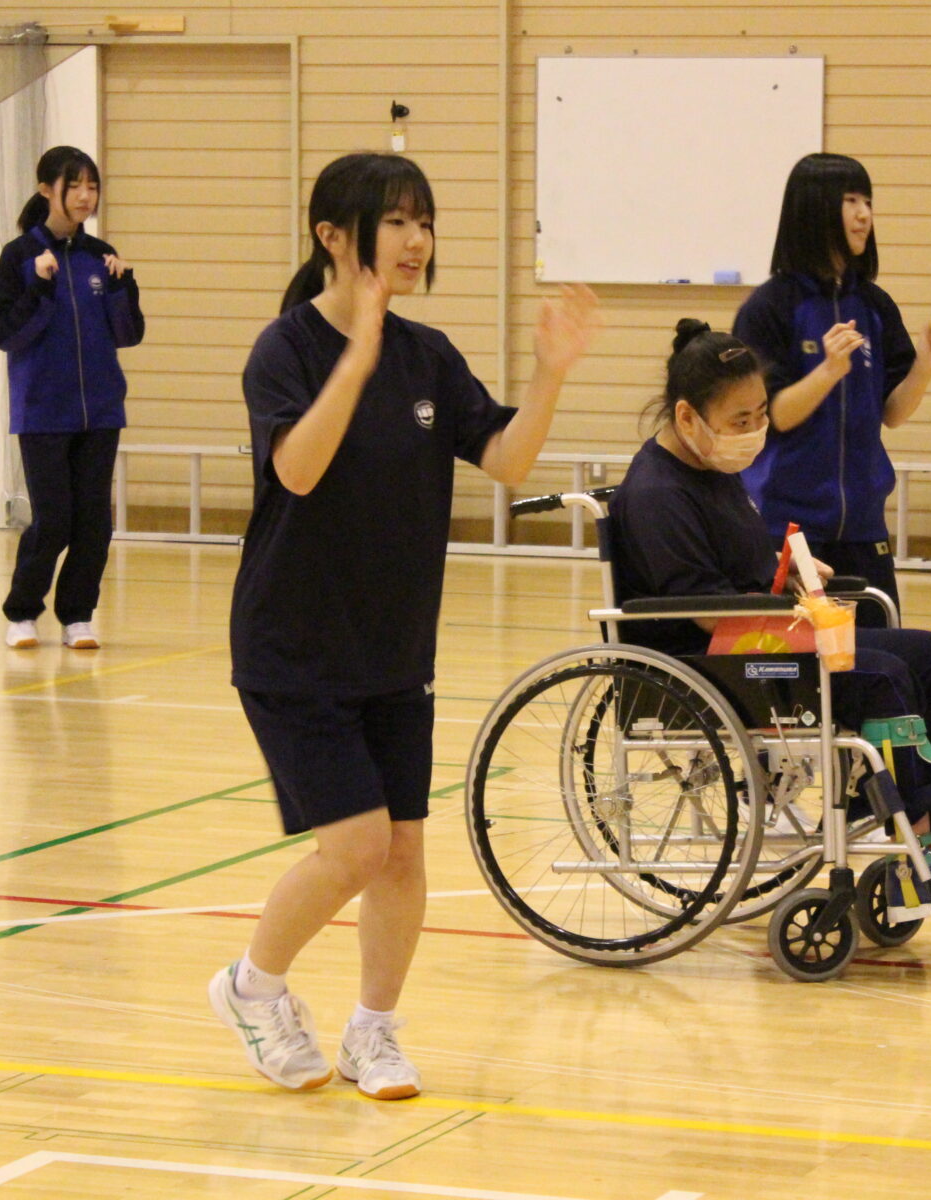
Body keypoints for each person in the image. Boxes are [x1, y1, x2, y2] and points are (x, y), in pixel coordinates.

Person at [208, 152, 598, 1100]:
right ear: (334, 237)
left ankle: (373, 1033)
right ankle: (252, 988)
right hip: (292, 644)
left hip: (394, 646)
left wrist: (548, 375)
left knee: (405, 852)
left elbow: (505, 460)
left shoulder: (431, 356)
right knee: (355, 848)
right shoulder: (287, 351)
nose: (418, 240)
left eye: (425, 220)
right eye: (396, 221)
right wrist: (357, 358)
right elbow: (296, 470)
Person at [610, 319, 931, 896]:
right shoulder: (656, 493)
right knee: (885, 674)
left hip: (763, 643)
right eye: (739, 421)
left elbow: (735, 568)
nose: (754, 431)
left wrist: (787, 568)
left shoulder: (711, 469)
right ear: (687, 417)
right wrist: (786, 603)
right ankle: (919, 850)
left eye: (760, 415)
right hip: (717, 663)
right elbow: (702, 610)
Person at [732, 153, 931, 626]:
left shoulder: (874, 306)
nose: (864, 215)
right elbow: (775, 414)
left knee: (879, 659)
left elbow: (892, 413)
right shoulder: (771, 307)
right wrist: (828, 372)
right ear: (814, 209)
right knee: (798, 668)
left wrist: (925, 367)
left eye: (868, 201)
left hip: (863, 526)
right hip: (788, 527)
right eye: (851, 201)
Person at [0, 145, 144, 651]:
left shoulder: (101, 255)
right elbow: (4, 333)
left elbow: (129, 334)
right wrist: (38, 286)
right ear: (46, 189)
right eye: (74, 185)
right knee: (53, 518)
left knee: (94, 521)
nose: (84, 195)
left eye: (91, 186)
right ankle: (22, 612)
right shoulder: (20, 256)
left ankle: (77, 616)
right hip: (42, 410)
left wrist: (121, 289)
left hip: (99, 410)